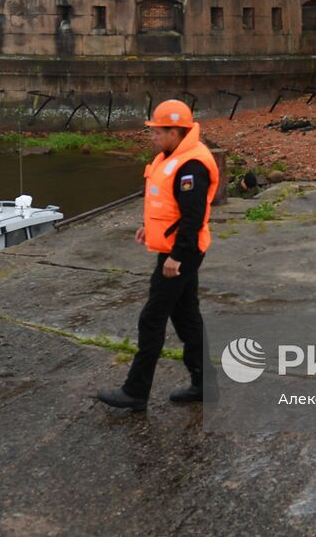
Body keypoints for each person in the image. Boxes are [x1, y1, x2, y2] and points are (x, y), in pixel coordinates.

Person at [98, 99, 217, 410]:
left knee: (152, 318)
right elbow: (167, 207)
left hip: (182, 253)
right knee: (186, 316)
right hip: (175, 248)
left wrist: (176, 258)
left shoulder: (192, 167)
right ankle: (204, 383)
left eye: (157, 131)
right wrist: (147, 229)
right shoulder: (173, 156)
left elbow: (192, 218)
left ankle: (135, 391)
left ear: (176, 132)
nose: (151, 137)